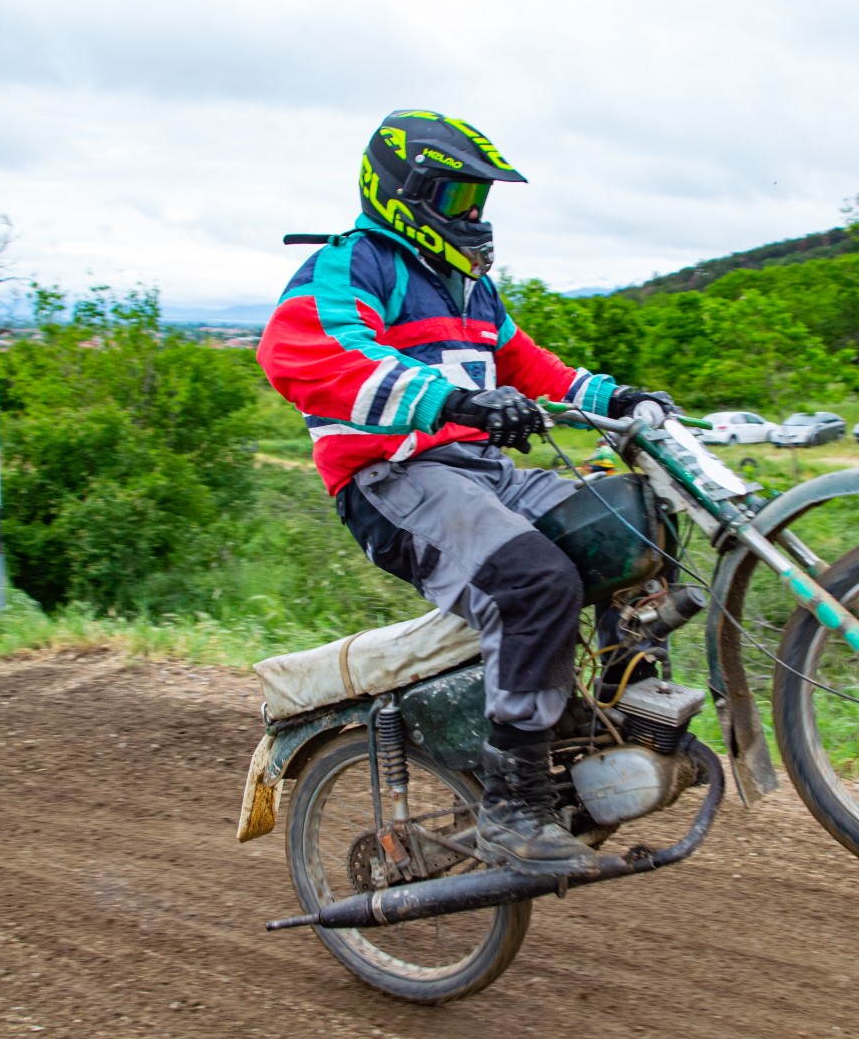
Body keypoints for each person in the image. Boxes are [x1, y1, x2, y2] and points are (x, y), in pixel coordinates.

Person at [257, 110, 676, 876]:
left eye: (479, 199)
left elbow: (530, 365)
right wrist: (452, 402)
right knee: (534, 582)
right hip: (394, 478)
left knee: (631, 527)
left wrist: (616, 397)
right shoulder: (354, 265)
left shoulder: (470, 287)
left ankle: (616, 712)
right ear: (402, 195)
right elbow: (310, 355)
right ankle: (514, 810)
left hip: (482, 472)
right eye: (456, 197)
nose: (473, 214)